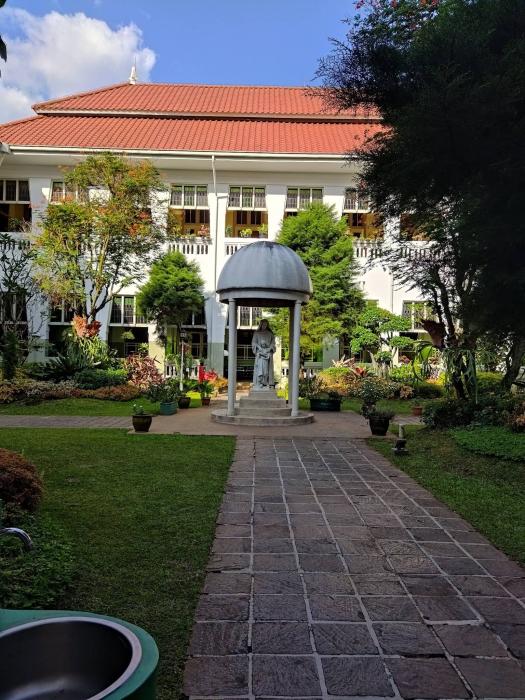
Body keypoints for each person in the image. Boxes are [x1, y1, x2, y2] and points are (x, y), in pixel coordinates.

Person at [251, 319, 275, 389]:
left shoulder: (270, 334)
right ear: (260, 325)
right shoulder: (256, 333)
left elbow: (273, 344)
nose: (264, 326)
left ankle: (266, 383)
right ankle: (259, 383)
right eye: (263, 324)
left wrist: (269, 349)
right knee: (260, 370)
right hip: (260, 355)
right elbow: (254, 343)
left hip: (267, 355)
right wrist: (259, 347)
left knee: (266, 371)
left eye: (266, 324)